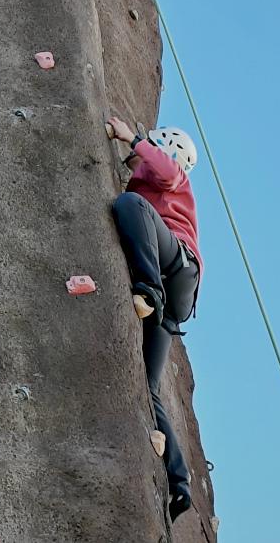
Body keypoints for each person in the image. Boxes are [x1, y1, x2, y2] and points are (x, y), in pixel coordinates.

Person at [106, 116, 202, 520]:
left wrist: (136, 138)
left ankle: (148, 288)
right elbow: (143, 168)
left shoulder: (174, 176)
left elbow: (160, 168)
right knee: (149, 387)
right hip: (174, 299)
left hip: (174, 268)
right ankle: (179, 483)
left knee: (129, 204)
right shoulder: (156, 180)